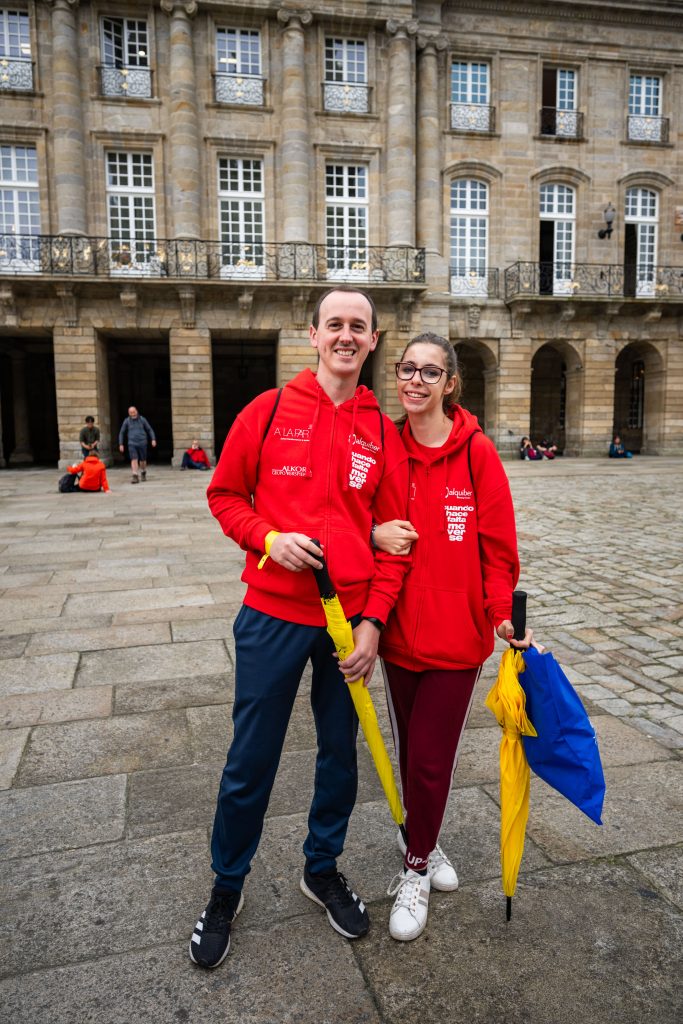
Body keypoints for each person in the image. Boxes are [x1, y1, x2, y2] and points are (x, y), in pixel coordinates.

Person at [189, 288, 410, 970]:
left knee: (340, 755)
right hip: (272, 615)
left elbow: (394, 539)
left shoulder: (382, 430)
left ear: (373, 341)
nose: (345, 335)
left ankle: (322, 867)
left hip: (346, 625)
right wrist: (267, 538)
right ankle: (227, 886)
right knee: (250, 759)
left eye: (358, 326)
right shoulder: (268, 410)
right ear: (312, 334)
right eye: (333, 324)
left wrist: (373, 622)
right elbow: (224, 495)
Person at [372, 332, 531, 943]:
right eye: (407, 369)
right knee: (410, 754)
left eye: (430, 372)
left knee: (432, 759)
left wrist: (500, 613)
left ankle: (414, 869)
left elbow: (497, 548)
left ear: (450, 383)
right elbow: (355, 515)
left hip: (456, 639)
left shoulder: (477, 453)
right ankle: (427, 841)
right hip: (395, 635)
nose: (415, 380)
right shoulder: (384, 445)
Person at [118, 406, 156, 483]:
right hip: (132, 443)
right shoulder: (127, 421)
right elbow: (122, 432)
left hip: (142, 442)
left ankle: (143, 471)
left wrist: (153, 439)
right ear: (129, 413)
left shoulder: (142, 419)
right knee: (134, 459)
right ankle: (135, 476)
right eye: (131, 413)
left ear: (137, 411)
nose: (133, 414)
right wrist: (121, 444)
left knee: (143, 460)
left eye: (134, 412)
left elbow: (149, 429)